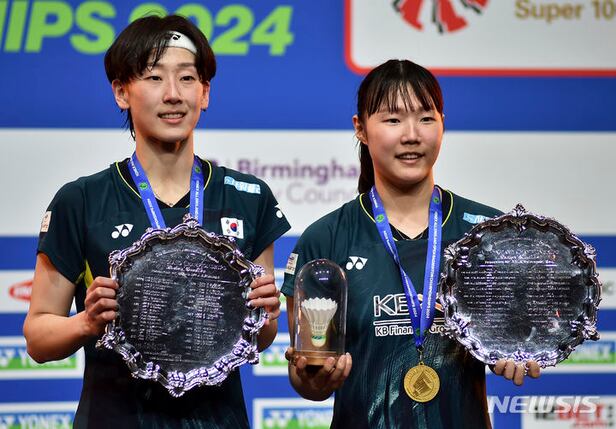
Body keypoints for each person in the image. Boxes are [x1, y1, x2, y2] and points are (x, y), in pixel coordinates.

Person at [23, 14, 290, 428]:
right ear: (121, 92)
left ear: (204, 93)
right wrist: (86, 323)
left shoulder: (247, 197)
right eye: (153, 77)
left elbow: (260, 334)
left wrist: (265, 315)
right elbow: (38, 338)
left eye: (187, 78)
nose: (172, 94)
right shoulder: (82, 200)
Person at [282, 59, 540, 429]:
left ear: (442, 124)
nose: (412, 135)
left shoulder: (487, 235)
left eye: (426, 118)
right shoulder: (326, 238)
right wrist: (314, 377)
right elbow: (308, 373)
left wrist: (521, 346)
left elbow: (522, 331)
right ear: (361, 129)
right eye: (393, 119)